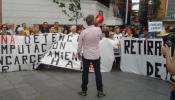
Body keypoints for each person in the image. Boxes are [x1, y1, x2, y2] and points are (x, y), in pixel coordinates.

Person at [77, 15, 106, 97]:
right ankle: (100, 91)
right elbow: (100, 38)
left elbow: (79, 45)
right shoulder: (98, 30)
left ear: (87, 22)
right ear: (93, 21)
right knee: (98, 73)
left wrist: (78, 53)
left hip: (86, 55)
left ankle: (84, 91)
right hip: (96, 55)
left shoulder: (83, 32)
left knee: (85, 73)